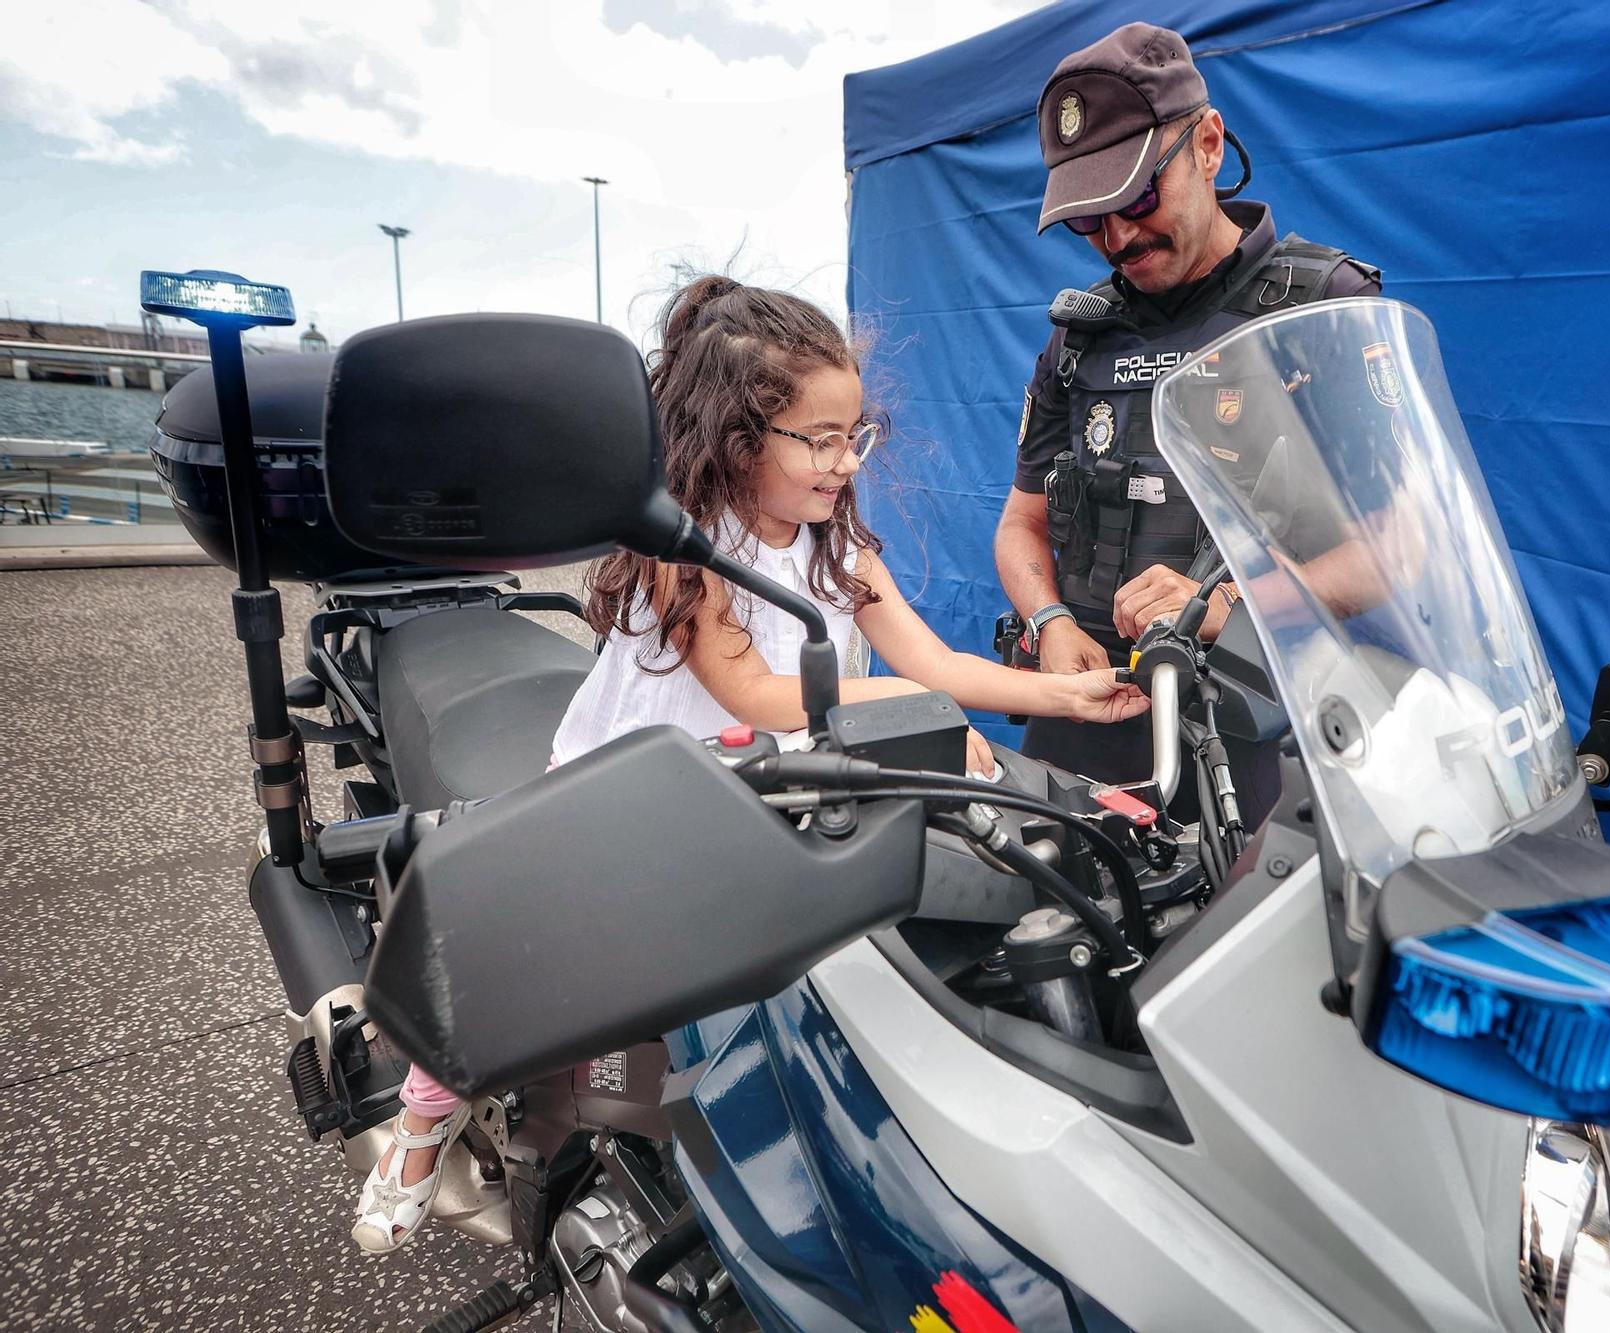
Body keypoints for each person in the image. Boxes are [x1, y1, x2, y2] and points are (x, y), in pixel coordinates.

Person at [350, 276, 1147, 1254]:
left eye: (856, 434)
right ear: (737, 438)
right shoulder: (684, 547)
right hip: (627, 790)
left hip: (757, 791)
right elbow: (759, 696)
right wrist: (918, 712)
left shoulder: (836, 546)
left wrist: (1065, 694)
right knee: (532, 961)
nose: (844, 461)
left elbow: (931, 662)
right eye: (818, 438)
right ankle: (422, 1124)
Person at [993, 22, 1383, 791]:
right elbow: (1021, 523)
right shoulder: (1077, 335)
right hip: (1084, 717)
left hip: (1256, 726)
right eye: (1086, 217)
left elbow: (1401, 548)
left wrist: (1227, 601)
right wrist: (1051, 620)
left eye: (1136, 194)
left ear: (1208, 145)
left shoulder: (1322, 307)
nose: (1116, 235)